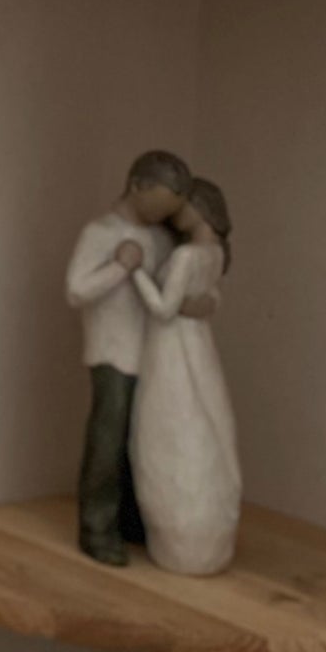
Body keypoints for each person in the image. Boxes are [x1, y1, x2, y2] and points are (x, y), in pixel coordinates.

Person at [64, 151, 190, 567]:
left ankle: (133, 519)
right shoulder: (100, 231)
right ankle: (96, 527)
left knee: (142, 438)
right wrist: (120, 267)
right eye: (162, 200)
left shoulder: (160, 238)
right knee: (108, 438)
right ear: (138, 186)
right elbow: (76, 291)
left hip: (151, 353)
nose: (165, 212)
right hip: (112, 352)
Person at [128, 178, 240, 575]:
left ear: (200, 209)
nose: (177, 213)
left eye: (184, 205)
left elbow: (162, 309)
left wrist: (136, 271)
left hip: (171, 348)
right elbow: (212, 301)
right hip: (200, 347)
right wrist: (204, 303)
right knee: (206, 424)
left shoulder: (188, 256)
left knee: (170, 429)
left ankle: (181, 541)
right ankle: (206, 541)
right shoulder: (214, 254)